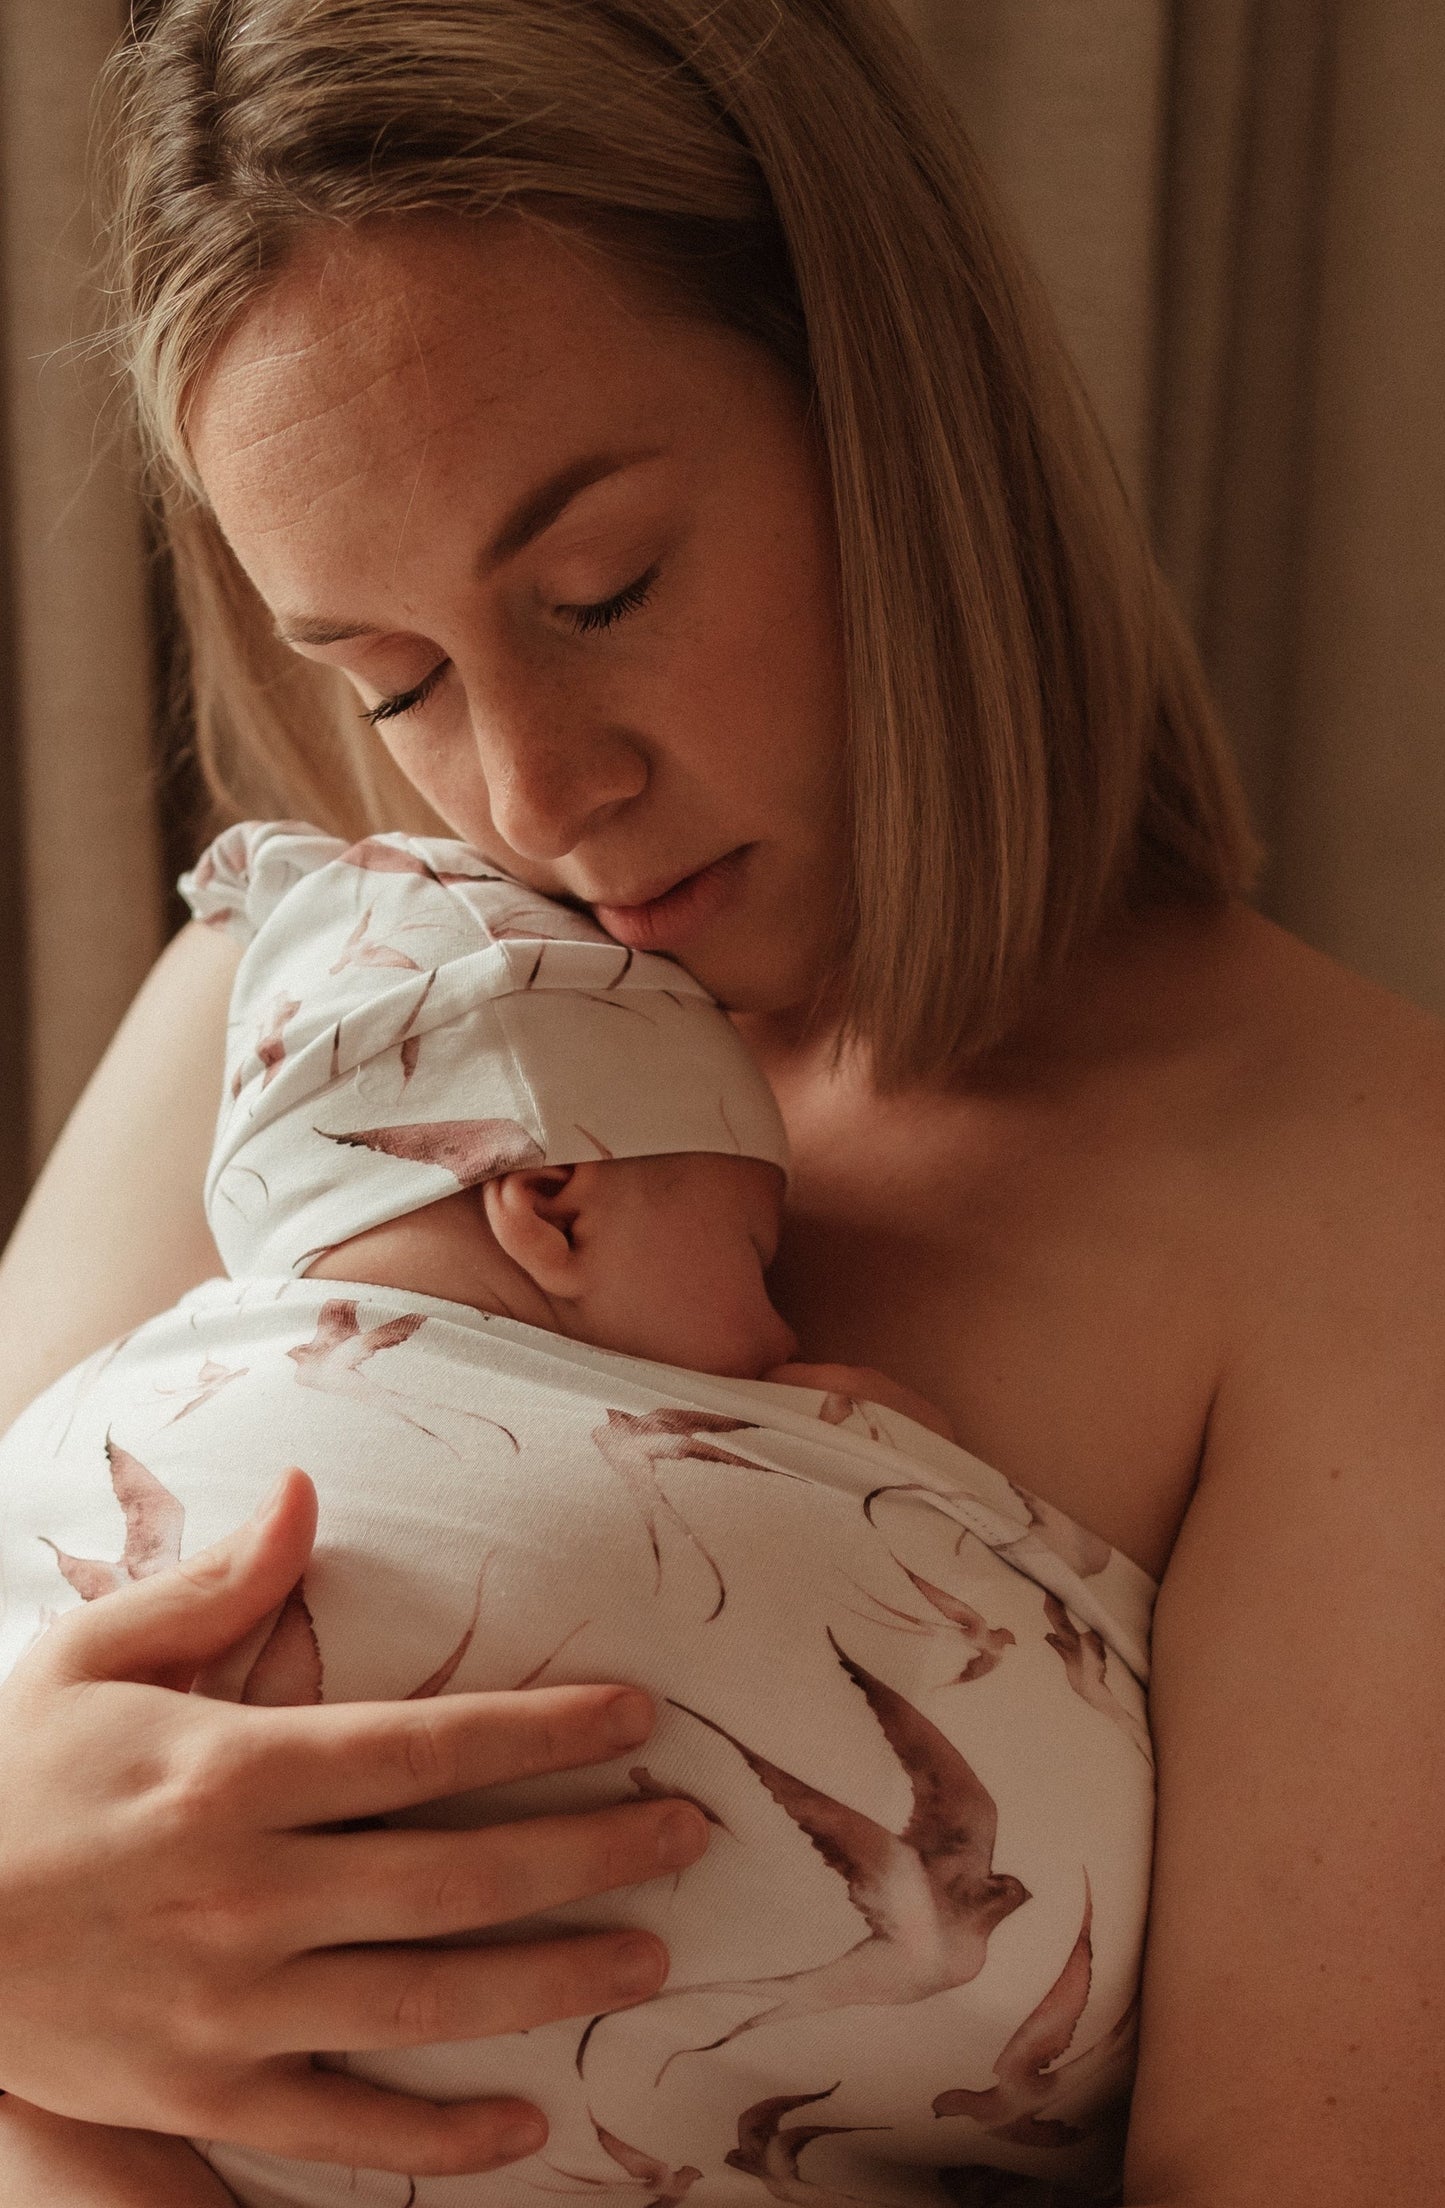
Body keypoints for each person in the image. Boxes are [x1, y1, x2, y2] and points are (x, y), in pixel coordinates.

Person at [0, 1, 1438, 2204]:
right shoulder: (299, 1016)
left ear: (891, 409)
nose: (531, 795)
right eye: (390, 680)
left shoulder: (1358, 1206)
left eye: (603, 592)